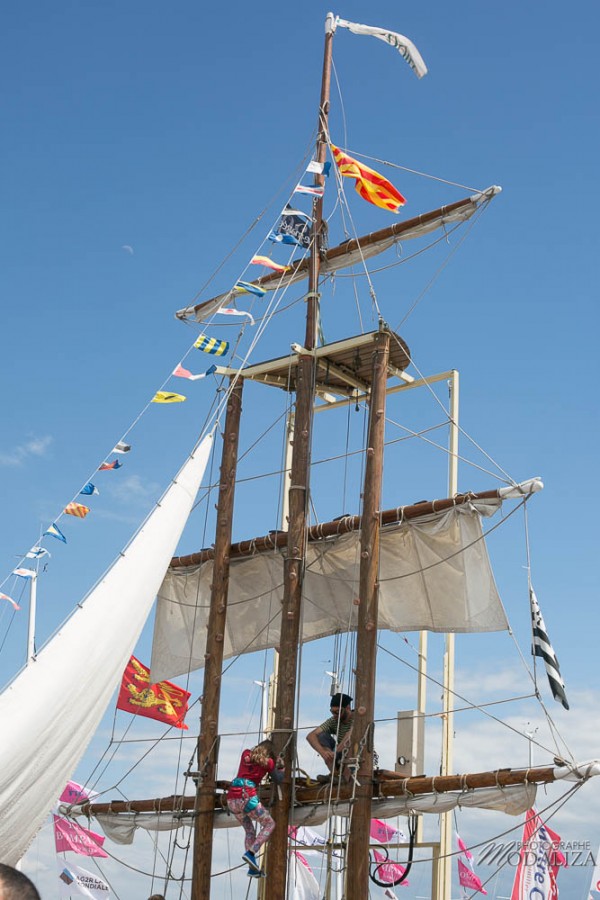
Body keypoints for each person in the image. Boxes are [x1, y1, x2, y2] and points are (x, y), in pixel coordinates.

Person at [226, 738, 282, 877]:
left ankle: (252, 868)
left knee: (249, 830)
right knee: (269, 823)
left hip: (232, 800)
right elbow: (279, 778)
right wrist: (281, 765)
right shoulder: (269, 763)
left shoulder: (246, 753)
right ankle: (251, 853)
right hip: (247, 798)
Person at [306, 692, 354, 781]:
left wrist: (335, 752)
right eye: (332, 712)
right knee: (321, 736)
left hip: (355, 758)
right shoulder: (334, 720)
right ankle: (334, 774)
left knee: (352, 743)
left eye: (337, 712)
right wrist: (323, 752)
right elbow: (310, 736)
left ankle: (345, 778)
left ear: (347, 708)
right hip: (339, 756)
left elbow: (348, 737)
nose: (334, 715)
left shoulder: (357, 719)